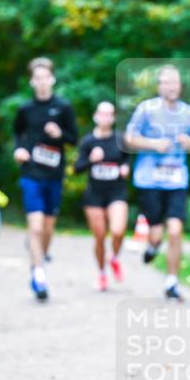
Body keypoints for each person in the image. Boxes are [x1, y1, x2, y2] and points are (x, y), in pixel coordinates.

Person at [125, 64, 190, 301]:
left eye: (176, 82)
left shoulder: (189, 112)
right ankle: (152, 246)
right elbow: (129, 139)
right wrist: (153, 144)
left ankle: (171, 281)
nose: (172, 87)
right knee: (156, 233)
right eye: (167, 82)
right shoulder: (146, 109)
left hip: (177, 179)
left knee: (176, 231)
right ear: (159, 86)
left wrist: (189, 141)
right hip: (149, 179)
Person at [13, 57, 78, 301]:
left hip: (54, 174)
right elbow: (17, 134)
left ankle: (38, 254)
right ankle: (38, 275)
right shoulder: (25, 109)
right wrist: (18, 150)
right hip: (31, 173)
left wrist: (60, 134)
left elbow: (73, 138)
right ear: (32, 81)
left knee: (48, 228)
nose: (41, 82)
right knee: (36, 226)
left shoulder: (63, 107)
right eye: (37, 78)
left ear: (52, 79)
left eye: (45, 78)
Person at [73, 101, 130, 292]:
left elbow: (128, 160)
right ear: (96, 116)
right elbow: (76, 168)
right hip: (94, 194)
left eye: (109, 114)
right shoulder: (88, 141)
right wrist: (91, 160)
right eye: (102, 114)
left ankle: (113, 258)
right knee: (99, 236)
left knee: (118, 231)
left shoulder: (120, 139)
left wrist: (125, 167)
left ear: (113, 118)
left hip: (116, 192)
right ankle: (102, 273)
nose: (105, 117)